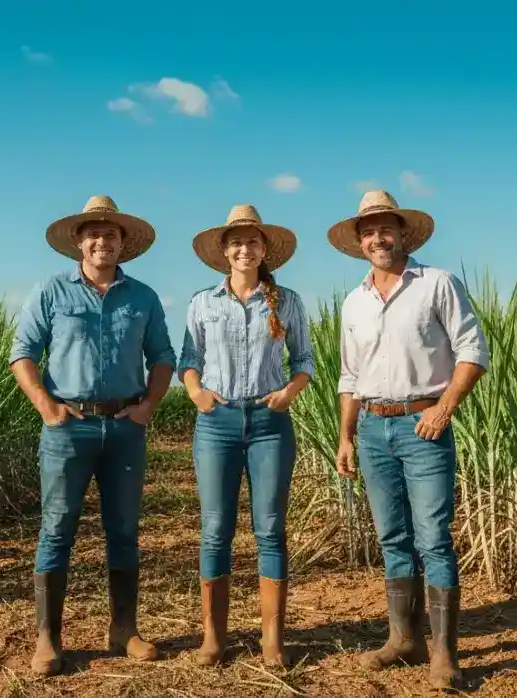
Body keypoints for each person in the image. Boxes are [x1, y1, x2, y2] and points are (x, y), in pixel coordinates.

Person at [8, 194, 177, 677]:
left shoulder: (142, 297)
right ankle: (48, 638)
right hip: (69, 429)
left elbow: (162, 356)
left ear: (124, 243)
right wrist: (45, 405)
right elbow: (23, 353)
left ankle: (124, 630)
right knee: (56, 529)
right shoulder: (51, 291)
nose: (102, 241)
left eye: (111, 234)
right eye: (94, 234)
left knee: (123, 531)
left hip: (125, 427)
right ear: (79, 242)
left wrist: (148, 407)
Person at [328, 190, 490, 691]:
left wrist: (443, 408)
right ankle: (404, 640)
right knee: (392, 537)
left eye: (386, 229)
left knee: (434, 539)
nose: (378, 238)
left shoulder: (436, 283)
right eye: (369, 232)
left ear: (403, 234)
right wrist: (347, 436)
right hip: (372, 428)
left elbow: (473, 351)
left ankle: (444, 653)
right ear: (359, 243)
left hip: (424, 426)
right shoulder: (354, 301)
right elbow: (349, 376)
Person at [177, 204, 315, 668]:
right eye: (236, 241)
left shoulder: (287, 300)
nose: (244, 248)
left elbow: (306, 361)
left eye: (252, 241)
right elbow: (187, 358)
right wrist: (197, 393)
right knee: (216, 530)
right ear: (223, 250)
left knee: (270, 530)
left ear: (264, 249)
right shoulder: (203, 302)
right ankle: (213, 639)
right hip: (216, 424)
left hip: (269, 424)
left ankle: (272, 640)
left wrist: (288, 393)